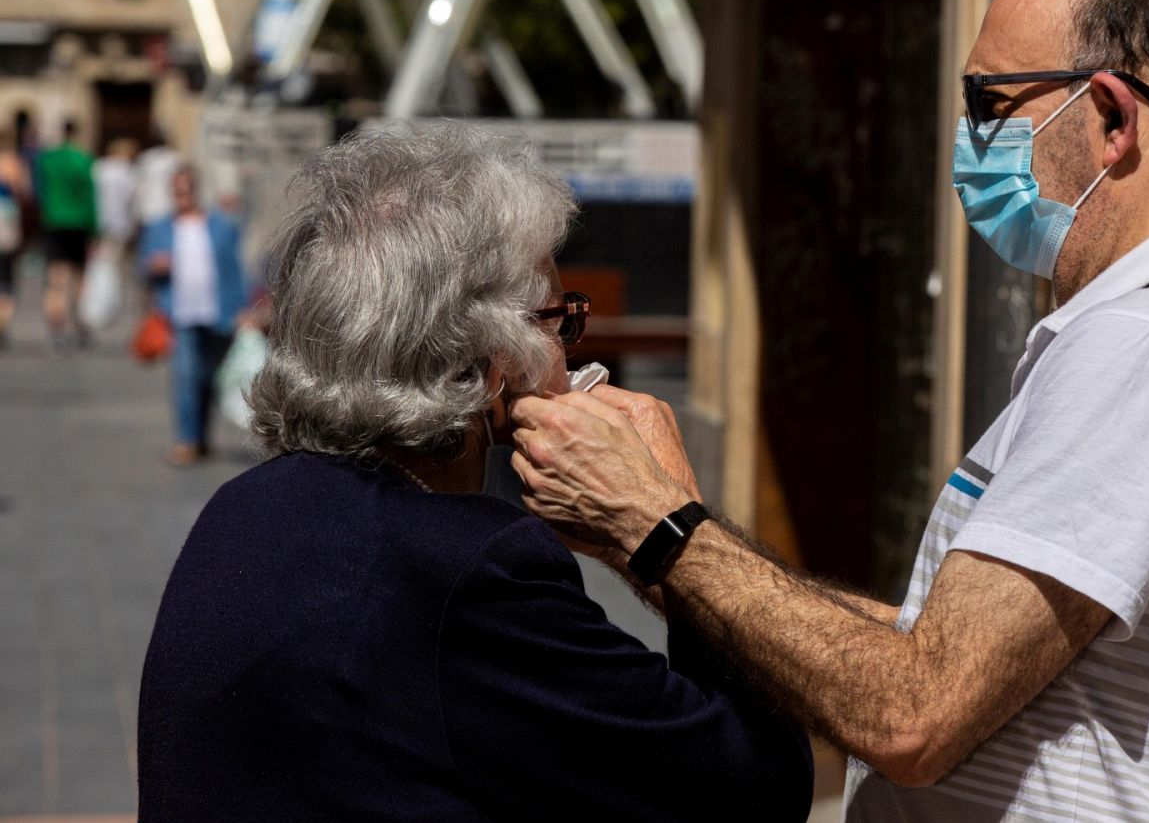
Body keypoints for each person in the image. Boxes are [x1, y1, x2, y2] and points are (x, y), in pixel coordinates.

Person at [508, 0, 1149, 821]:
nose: (968, 139)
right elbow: (941, 653)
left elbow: (914, 711)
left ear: (1109, 118)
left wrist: (661, 525)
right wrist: (663, 547)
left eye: (988, 101)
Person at [137, 122, 813, 822]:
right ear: (496, 365)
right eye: (559, 322)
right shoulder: (468, 573)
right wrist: (668, 522)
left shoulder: (240, 510)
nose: (572, 353)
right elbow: (754, 786)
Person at [138, 167, 246, 466]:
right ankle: (186, 440)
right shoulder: (160, 227)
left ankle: (201, 436)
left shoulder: (220, 226)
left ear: (196, 191)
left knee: (207, 379)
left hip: (217, 312)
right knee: (185, 377)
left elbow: (233, 268)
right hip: (179, 313)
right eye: (177, 192)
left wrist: (241, 308)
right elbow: (143, 266)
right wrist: (154, 266)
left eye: (187, 191)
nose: (182, 197)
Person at [35, 119, 96, 350]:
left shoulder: (47, 160)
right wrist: (94, 228)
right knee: (79, 278)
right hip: (79, 223)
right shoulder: (83, 159)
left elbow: (39, 191)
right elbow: (91, 198)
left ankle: (57, 330)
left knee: (55, 279)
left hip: (54, 221)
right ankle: (79, 323)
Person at [0, 126, 31, 350]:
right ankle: (1, 324)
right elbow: (25, 192)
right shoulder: (13, 162)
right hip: (6, 219)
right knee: (7, 275)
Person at [93, 136, 140, 250]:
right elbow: (133, 199)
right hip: (120, 224)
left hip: (97, 221)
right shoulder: (128, 172)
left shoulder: (99, 167)